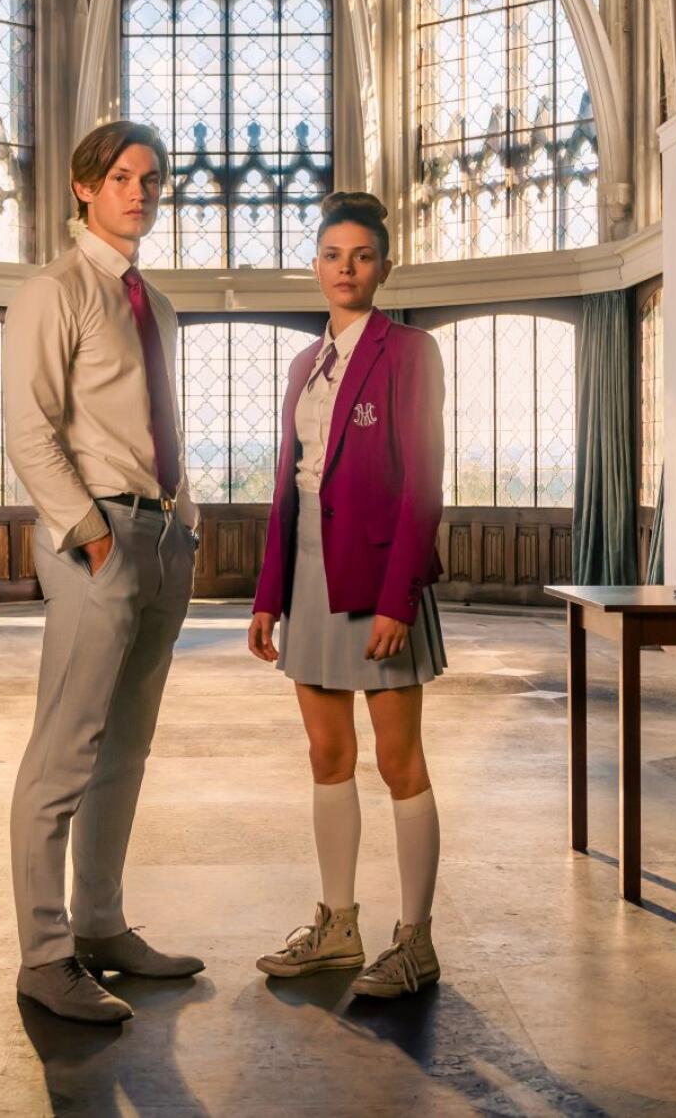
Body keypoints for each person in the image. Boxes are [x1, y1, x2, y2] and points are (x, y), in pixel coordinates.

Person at [2, 121, 204, 1024]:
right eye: (123, 177)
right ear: (84, 187)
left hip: (163, 537)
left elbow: (157, 420)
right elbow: (29, 428)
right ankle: (45, 957)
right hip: (101, 536)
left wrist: (185, 516)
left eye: (153, 180)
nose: (140, 192)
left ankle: (101, 924)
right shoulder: (54, 290)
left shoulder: (153, 305)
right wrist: (88, 534)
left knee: (127, 747)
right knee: (65, 752)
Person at [247, 191, 447, 998]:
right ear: (315, 265)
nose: (346, 269)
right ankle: (338, 925)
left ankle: (415, 939)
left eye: (361, 255)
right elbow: (288, 489)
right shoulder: (303, 365)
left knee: (399, 761)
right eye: (332, 255)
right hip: (307, 573)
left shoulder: (410, 352)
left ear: (384, 267)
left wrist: (399, 599)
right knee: (328, 755)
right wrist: (268, 595)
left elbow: (423, 483)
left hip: (378, 578)